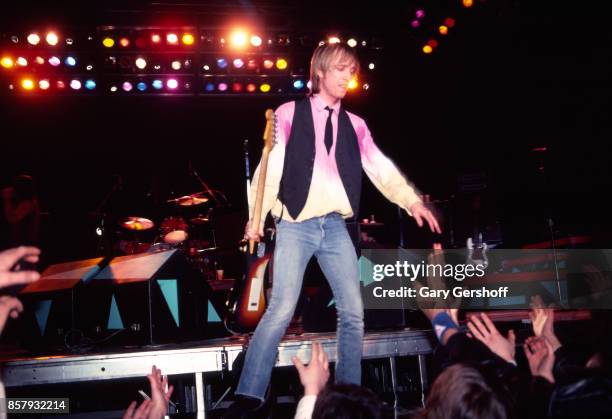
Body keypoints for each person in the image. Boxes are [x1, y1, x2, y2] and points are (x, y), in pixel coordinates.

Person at [224, 42, 440, 417]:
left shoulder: (356, 125)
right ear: (320, 71)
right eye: (341, 69)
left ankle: (350, 396)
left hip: (336, 226)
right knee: (281, 308)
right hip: (295, 224)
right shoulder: (289, 114)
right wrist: (256, 219)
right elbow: (269, 169)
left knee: (353, 310)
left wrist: (412, 200)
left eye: (351, 71)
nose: (348, 77)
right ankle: (250, 395)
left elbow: (380, 168)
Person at [2, 174, 41, 247]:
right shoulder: (27, 202)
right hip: (21, 243)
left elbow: (11, 219)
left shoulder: (28, 203)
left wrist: (7, 199)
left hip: (25, 244)